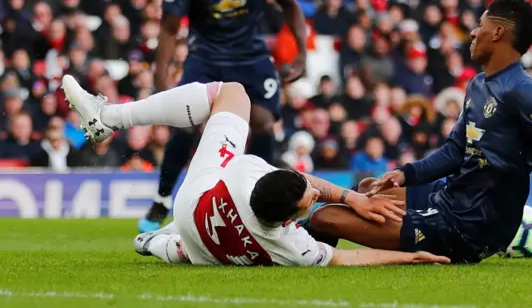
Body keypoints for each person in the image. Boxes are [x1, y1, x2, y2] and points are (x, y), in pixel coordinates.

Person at [307, 0, 532, 267]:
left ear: (499, 33)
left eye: (481, 25)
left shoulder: (523, 92)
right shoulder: (478, 85)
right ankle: (312, 255)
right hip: (452, 196)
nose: (474, 33)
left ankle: (300, 253)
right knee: (371, 188)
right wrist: (404, 174)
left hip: (472, 225)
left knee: (324, 218)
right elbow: (455, 151)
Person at [60, 74, 450, 267]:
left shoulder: (243, 172)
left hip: (200, 193)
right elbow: (348, 259)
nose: (315, 194)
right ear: (289, 220)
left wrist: (351, 198)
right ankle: (159, 244)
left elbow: (303, 185)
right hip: (199, 239)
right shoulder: (291, 247)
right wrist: (411, 256)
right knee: (190, 249)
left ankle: (110, 117)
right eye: (309, 199)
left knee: (231, 93)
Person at [141, 0, 308, 232]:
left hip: (251, 56)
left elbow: (290, 5)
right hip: (207, 56)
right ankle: (162, 199)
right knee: (188, 124)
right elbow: (169, 27)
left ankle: (262, 204)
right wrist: (161, 73)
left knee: (262, 123)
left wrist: (302, 54)